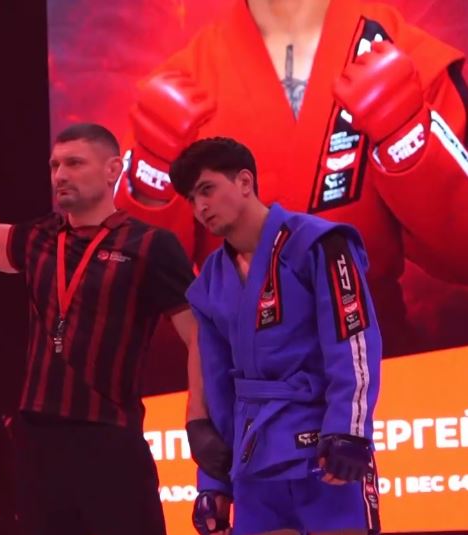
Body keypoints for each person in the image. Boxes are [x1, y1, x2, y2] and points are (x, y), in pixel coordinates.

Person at [115, 0, 468, 356]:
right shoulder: (179, 89)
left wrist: (407, 139)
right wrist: (151, 183)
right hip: (242, 369)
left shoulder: (410, 60)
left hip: (381, 361)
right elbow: (126, 298)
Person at [0, 121, 199, 535]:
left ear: (113, 170)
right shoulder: (40, 237)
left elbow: (198, 337)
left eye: (74, 163)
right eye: (54, 165)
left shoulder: (151, 244)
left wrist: (199, 418)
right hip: (38, 443)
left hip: (109, 437)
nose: (60, 174)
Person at [176, 137, 381, 535]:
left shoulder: (320, 243)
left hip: (324, 439)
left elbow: (354, 344)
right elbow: (217, 384)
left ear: (244, 181)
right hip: (255, 448)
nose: (200, 207)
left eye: (207, 189)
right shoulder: (209, 280)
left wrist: (350, 431)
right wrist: (212, 480)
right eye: (192, 199)